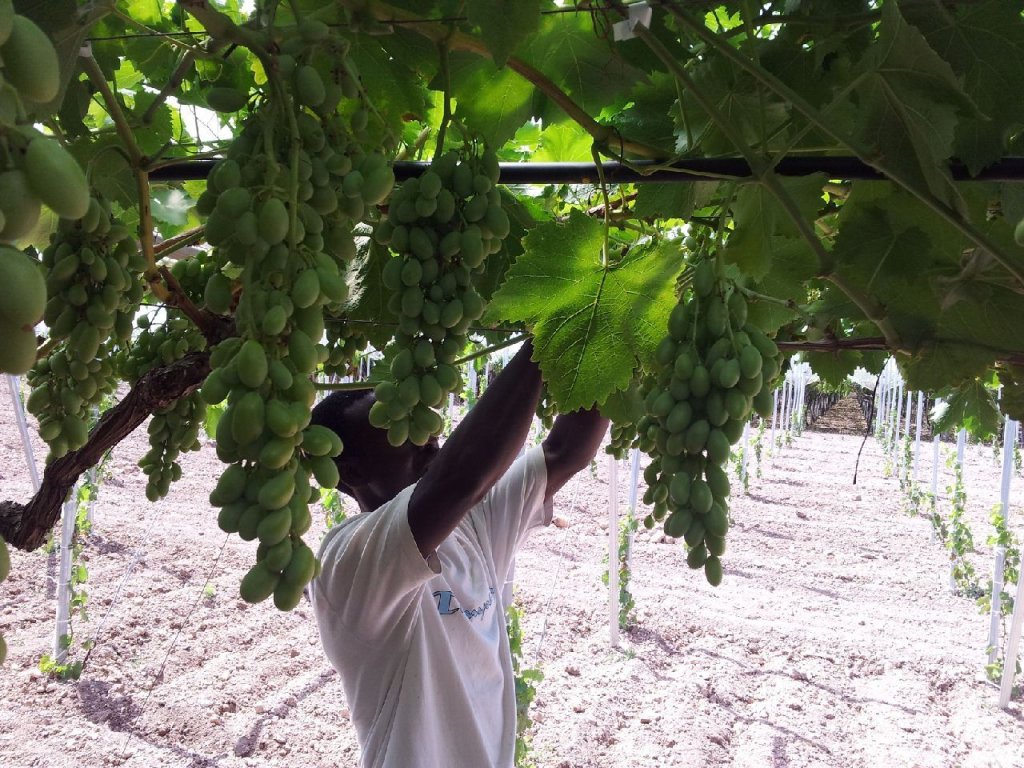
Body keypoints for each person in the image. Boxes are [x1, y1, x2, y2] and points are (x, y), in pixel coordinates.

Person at [308, 339, 608, 768]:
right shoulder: (346, 559)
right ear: (350, 470)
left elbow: (565, 451)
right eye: (396, 423)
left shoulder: (473, 524)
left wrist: (609, 333)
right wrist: (552, 325)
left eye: (420, 417)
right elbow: (461, 475)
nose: (427, 435)